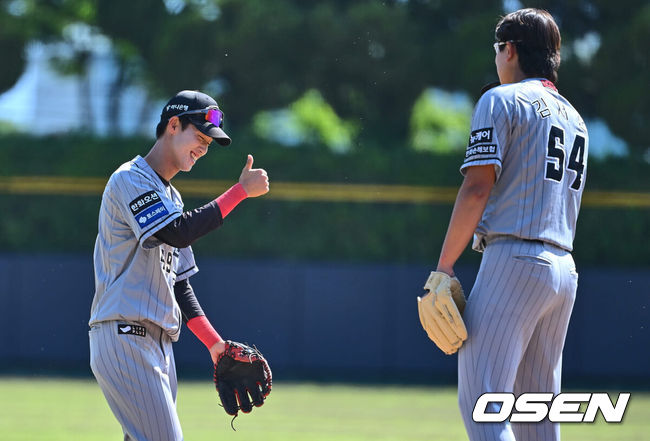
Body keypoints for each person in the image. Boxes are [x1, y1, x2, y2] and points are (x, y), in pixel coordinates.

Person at [432, 9, 588, 441]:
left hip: (515, 262)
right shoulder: (576, 120)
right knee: (537, 417)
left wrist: (443, 267)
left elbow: (478, 188)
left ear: (511, 49)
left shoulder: (501, 99)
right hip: (563, 271)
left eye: (497, 48)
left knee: (485, 409)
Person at [88, 90, 270, 440]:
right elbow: (178, 230)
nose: (203, 148)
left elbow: (179, 283)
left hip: (157, 344)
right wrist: (239, 192)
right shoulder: (129, 178)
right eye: (199, 137)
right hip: (126, 335)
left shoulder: (171, 197)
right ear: (173, 124)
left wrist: (215, 345)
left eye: (208, 142)